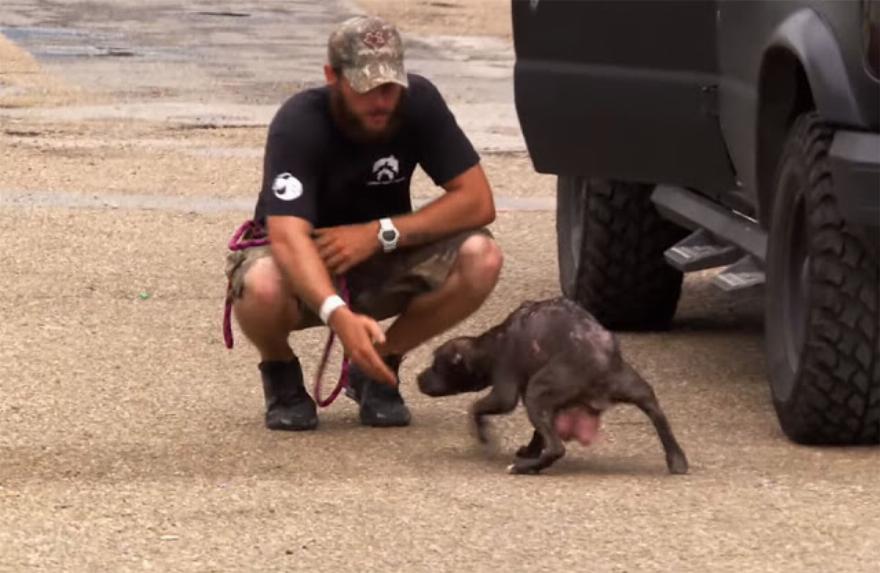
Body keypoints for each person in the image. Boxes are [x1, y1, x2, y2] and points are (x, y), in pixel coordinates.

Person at [224, 14, 502, 431]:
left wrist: (380, 233)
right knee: (260, 283)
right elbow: (286, 236)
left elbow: (477, 200)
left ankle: (377, 365)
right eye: (365, 87)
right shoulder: (299, 122)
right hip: (307, 264)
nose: (381, 101)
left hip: (383, 253)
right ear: (332, 77)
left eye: (389, 86)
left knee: (483, 257)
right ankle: (280, 372)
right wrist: (337, 314)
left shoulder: (420, 103)